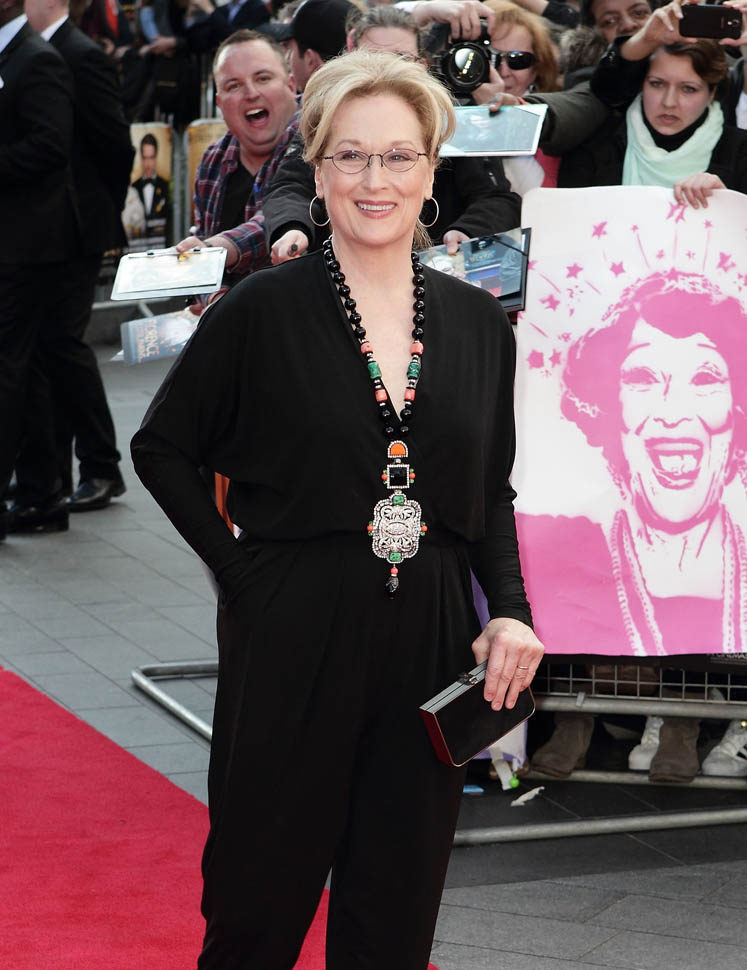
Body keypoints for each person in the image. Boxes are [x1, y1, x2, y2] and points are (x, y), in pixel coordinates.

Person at [131, 48, 543, 969]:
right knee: (256, 906)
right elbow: (160, 448)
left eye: (397, 156)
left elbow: (490, 491)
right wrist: (241, 576)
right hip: (292, 625)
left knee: (394, 915)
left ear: (431, 170)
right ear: (317, 172)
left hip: (432, 631)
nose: (373, 180)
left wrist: (511, 611)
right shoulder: (260, 310)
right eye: (350, 156)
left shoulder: (478, 323)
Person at [521, 270, 747, 780]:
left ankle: (681, 720)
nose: (672, 413)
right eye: (643, 378)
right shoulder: (576, 530)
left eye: (704, 378)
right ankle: (575, 719)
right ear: (609, 404)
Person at [266, 5, 522, 264]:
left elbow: (496, 198)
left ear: (422, 65)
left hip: (436, 268)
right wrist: (292, 228)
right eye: (351, 155)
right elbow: (291, 185)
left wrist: (466, 232)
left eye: (401, 58)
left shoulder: (453, 119)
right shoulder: (329, 114)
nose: (386, 70)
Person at [16, 0, 133, 513]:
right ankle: (49, 475)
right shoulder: (34, 51)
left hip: (79, 230)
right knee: (43, 350)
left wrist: (98, 212)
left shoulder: (80, 53)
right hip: (46, 233)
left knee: (63, 345)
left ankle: (102, 466)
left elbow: (116, 145)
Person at [0, 0, 73, 538]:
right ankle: (41, 493)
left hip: (26, 248)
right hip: (14, 245)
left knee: (11, 371)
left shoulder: (37, 58)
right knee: (29, 372)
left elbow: (50, 146)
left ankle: (36, 492)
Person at [559, 2, 747, 196]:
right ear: (641, 83)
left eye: (688, 89)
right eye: (657, 84)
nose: (669, 102)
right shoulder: (594, 147)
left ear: (712, 93)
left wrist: (727, 201)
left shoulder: (740, 153)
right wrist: (644, 39)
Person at [172, 29, 299, 297]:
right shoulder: (213, 160)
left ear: (291, 85)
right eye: (234, 86)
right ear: (219, 104)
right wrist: (213, 298)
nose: (251, 93)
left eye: (263, 78)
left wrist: (215, 249)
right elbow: (202, 243)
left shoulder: (317, 140)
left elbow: (279, 218)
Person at [473, 0, 562, 193]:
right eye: (491, 58)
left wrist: (502, 117)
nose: (503, 72)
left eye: (518, 60)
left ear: (537, 68)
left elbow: (536, 196)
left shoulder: (552, 120)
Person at [131, 132, 170, 244]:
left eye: (151, 158)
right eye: (145, 158)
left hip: (161, 244)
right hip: (137, 245)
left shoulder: (165, 186)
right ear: (141, 158)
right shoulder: (133, 188)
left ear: (156, 157)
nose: (148, 164)